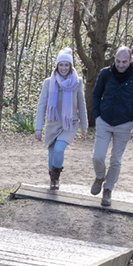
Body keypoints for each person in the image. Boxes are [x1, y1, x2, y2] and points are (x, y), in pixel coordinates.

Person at [91, 45, 133, 207]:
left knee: (115, 160)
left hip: (124, 123)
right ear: (114, 59)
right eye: (118, 61)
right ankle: (99, 177)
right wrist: (97, 115)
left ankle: (108, 190)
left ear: (131, 60)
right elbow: (96, 94)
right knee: (98, 157)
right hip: (104, 120)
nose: (121, 65)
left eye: (124, 61)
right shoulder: (105, 74)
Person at [34, 47, 88, 190]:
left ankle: (55, 179)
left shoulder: (77, 82)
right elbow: (42, 106)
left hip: (70, 123)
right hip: (53, 123)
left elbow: (81, 105)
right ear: (57, 66)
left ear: (71, 66)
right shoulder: (49, 83)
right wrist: (38, 128)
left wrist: (84, 126)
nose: (63, 68)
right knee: (51, 154)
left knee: (59, 149)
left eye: (66, 65)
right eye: (61, 65)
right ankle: (53, 179)